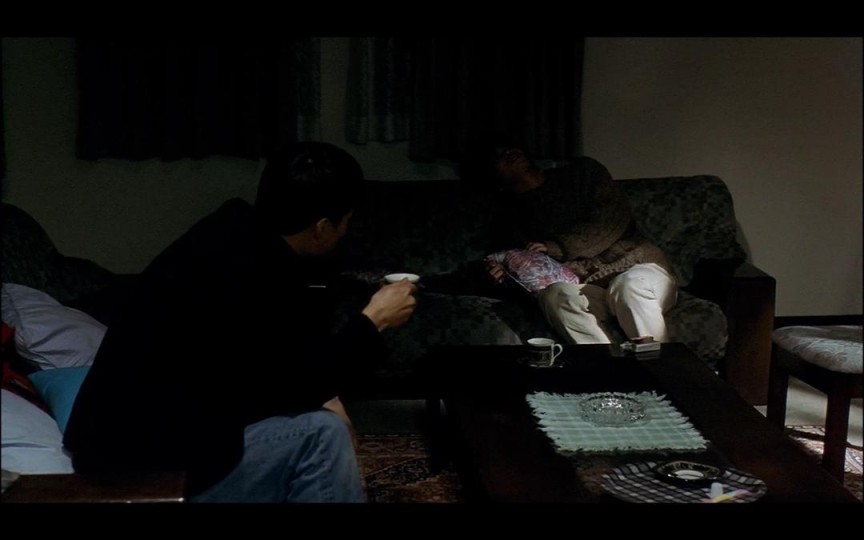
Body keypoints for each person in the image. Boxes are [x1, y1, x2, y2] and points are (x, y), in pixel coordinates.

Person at [63, 142, 418, 503]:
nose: (346, 232)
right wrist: (374, 320)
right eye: (347, 221)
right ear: (321, 227)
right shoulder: (245, 270)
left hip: (149, 442)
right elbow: (288, 382)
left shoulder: (235, 235)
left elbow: (278, 363)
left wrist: (325, 392)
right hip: (143, 471)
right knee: (322, 436)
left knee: (318, 416)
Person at [460, 139, 677, 346]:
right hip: (587, 287)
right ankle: (609, 367)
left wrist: (558, 246)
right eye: (498, 156)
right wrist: (497, 275)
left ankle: (659, 366)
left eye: (509, 147)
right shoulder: (509, 217)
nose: (509, 153)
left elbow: (611, 218)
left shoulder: (582, 173)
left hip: (637, 267)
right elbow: (510, 264)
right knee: (554, 295)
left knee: (629, 286)